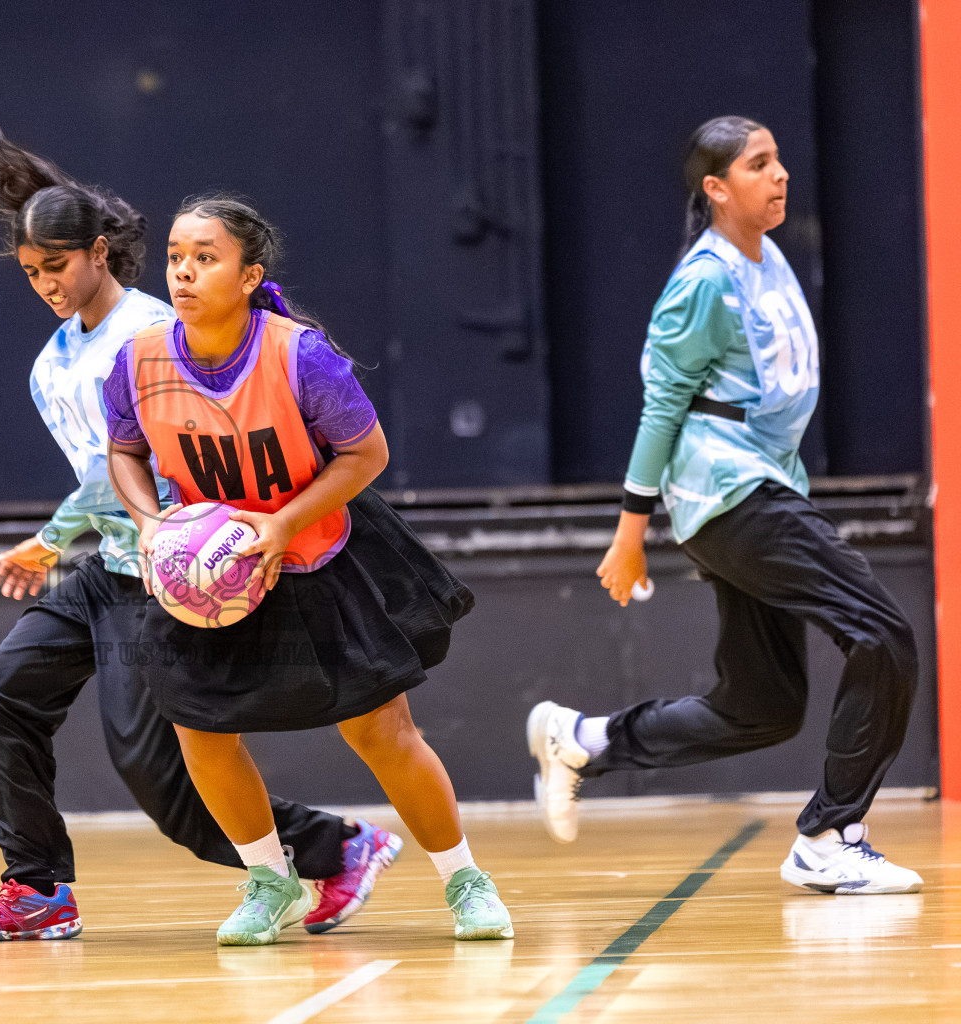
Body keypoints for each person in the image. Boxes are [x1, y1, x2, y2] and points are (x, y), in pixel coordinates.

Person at [0, 136, 401, 943]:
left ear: (99, 252)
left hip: (176, 572)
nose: (46, 284)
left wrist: (48, 540)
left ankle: (337, 847)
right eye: (31, 273)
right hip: (114, 562)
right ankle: (38, 889)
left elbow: (138, 461)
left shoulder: (156, 329)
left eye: (58, 266)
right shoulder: (49, 365)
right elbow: (107, 470)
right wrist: (75, 541)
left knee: (163, 781)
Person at [526, 117, 922, 895]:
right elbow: (662, 407)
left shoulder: (765, 256)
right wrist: (628, 535)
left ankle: (582, 740)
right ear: (715, 188)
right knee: (883, 636)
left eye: (778, 162)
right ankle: (830, 838)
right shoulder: (703, 281)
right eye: (758, 165)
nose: (779, 177)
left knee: (761, 706)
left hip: (762, 484)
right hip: (727, 490)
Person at [104, 195, 511, 945]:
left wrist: (281, 522)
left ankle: (465, 881)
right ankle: (271, 880)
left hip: (317, 553)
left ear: (250, 273)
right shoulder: (139, 359)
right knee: (198, 727)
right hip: (211, 573)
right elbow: (124, 450)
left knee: (381, 729)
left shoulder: (301, 355)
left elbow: (368, 455)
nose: (184, 272)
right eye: (175, 257)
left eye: (205, 257)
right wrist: (150, 521)